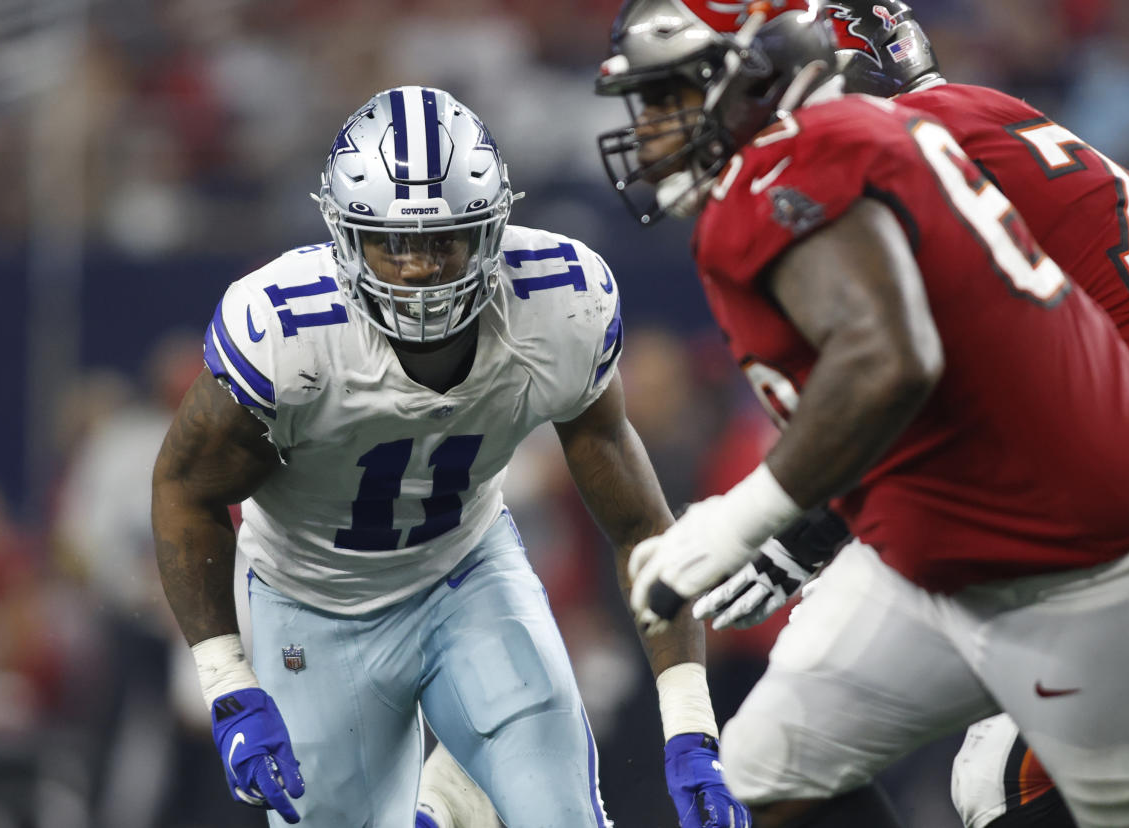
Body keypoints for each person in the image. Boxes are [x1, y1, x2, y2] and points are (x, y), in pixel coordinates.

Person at [593, 2, 1129, 828]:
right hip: (1051, 471)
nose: (654, 128)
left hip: (1106, 513)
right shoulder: (953, 125)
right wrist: (815, 525)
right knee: (789, 729)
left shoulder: (869, 152)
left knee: (999, 786)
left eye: (673, 97)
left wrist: (780, 518)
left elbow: (903, 361)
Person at [151, 85, 749, 828]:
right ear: (344, 235)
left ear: (494, 229)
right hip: (312, 601)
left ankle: (460, 792)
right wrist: (226, 678)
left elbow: (640, 528)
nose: (419, 270)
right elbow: (184, 491)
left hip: (465, 575)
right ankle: (446, 804)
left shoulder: (557, 304)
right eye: (392, 242)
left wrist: (691, 724)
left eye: (445, 239)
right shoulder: (285, 327)